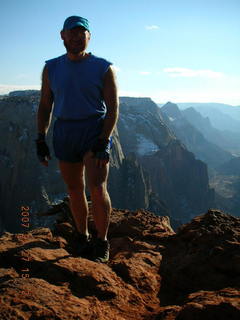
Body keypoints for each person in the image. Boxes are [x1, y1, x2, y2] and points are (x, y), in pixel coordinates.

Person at [35, 16, 119, 263]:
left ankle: (101, 242)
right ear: (62, 35)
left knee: (97, 187)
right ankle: (81, 237)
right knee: (74, 189)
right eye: (72, 33)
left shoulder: (104, 67)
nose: (76, 37)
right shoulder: (51, 68)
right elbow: (44, 105)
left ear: (89, 37)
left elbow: (113, 109)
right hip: (64, 132)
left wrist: (104, 140)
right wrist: (40, 138)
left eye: (82, 33)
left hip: (93, 131)